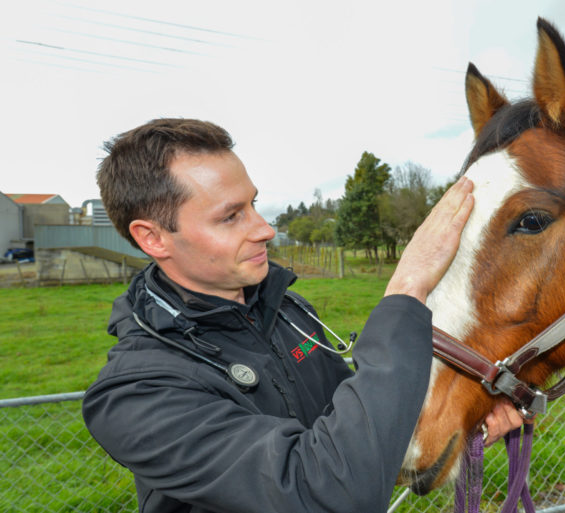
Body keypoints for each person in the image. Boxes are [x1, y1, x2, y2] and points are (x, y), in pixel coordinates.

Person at [82, 118, 523, 513]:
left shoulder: (283, 309)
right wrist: (408, 288)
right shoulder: (136, 394)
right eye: (231, 217)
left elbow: (358, 433)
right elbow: (326, 492)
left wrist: (466, 411)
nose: (264, 229)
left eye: (253, 204)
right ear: (153, 239)